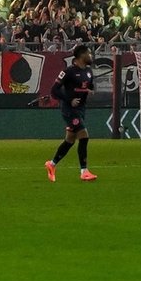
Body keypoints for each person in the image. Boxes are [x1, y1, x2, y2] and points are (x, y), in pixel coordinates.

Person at [45, 45, 98, 182]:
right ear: (81, 56)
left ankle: (52, 164)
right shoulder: (68, 72)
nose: (91, 56)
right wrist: (69, 100)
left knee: (70, 140)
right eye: (89, 53)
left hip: (81, 109)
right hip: (69, 109)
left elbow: (88, 86)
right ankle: (84, 171)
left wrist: (90, 90)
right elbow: (54, 90)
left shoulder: (88, 71)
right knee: (84, 136)